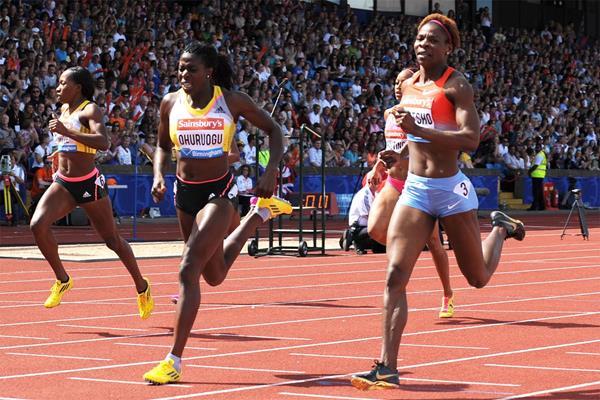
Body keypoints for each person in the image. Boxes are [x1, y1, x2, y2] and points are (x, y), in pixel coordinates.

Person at [351, 14, 525, 391]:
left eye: (432, 40)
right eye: (419, 38)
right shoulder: (408, 85)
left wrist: (420, 131)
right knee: (395, 276)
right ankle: (386, 366)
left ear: (448, 48)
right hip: (414, 189)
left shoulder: (456, 86)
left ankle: (499, 228)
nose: (423, 44)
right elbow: (408, 137)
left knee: (477, 278)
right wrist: (392, 155)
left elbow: (470, 139)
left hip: (450, 191)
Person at [143, 42, 292, 385]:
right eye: (180, 68)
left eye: (191, 69)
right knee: (213, 275)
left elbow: (274, 131)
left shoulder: (231, 100)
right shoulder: (170, 103)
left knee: (187, 270)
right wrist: (158, 177)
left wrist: (270, 172)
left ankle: (173, 360)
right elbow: (163, 147)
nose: (183, 74)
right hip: (184, 194)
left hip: (219, 193)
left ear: (208, 71)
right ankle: (258, 217)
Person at [29, 67, 154, 318]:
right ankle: (62, 279)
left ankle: (142, 286)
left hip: (88, 183)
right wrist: (58, 153)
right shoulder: (64, 110)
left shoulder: (90, 110)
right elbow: (71, 145)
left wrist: (66, 132)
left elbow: (103, 142)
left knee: (112, 241)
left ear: (78, 87)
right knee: (37, 225)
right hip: (63, 183)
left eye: (64, 83)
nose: (58, 88)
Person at [365, 68, 454, 319]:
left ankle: (448, 293)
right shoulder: (388, 113)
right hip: (395, 180)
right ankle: (407, 249)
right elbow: (389, 146)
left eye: (402, 82)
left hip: (418, 183)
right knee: (374, 229)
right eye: (395, 81)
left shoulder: (421, 115)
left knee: (435, 243)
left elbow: (419, 142)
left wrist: (401, 155)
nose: (396, 85)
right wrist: (377, 167)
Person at [343, 176, 386, 254]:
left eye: (379, 181)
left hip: (368, 227)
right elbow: (369, 215)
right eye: (376, 181)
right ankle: (354, 238)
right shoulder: (364, 194)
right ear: (369, 182)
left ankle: (363, 243)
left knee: (381, 249)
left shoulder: (376, 193)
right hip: (359, 227)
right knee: (383, 229)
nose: (379, 184)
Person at [528, 142, 547, 211]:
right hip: (540, 175)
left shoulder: (539, 155)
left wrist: (529, 171)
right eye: (536, 147)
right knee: (539, 192)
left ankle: (535, 206)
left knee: (536, 192)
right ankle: (541, 206)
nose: (536, 148)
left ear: (541, 148)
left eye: (538, 147)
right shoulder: (543, 154)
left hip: (537, 175)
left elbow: (536, 165)